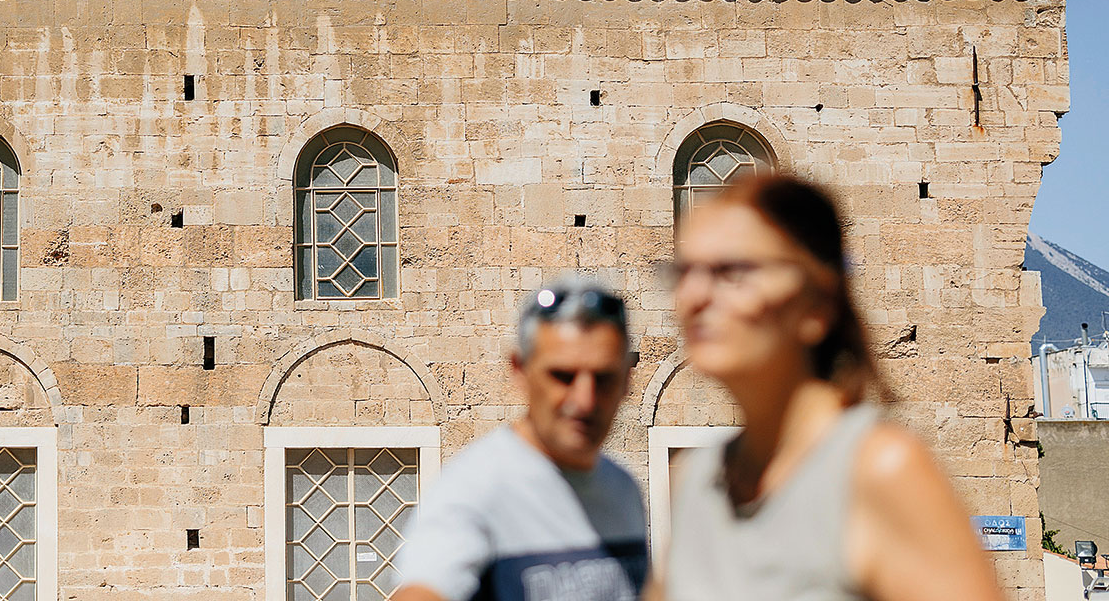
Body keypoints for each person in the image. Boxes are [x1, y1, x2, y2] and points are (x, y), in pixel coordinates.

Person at [663, 172, 1003, 601]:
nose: (692, 296)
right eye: (683, 271)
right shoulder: (696, 483)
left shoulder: (879, 471)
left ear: (817, 304)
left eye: (732, 271)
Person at [392, 277, 647, 601]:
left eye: (604, 378)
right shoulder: (474, 491)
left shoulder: (622, 488)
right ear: (519, 371)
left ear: (627, 379)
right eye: (563, 376)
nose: (584, 400)